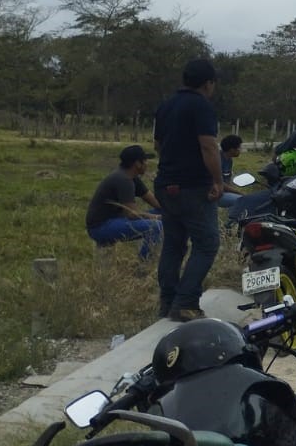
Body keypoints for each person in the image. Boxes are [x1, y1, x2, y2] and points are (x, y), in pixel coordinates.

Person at [152, 58, 224, 321]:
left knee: (173, 244)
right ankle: (185, 303)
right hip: (193, 187)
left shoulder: (166, 105)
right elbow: (208, 146)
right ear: (208, 84)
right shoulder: (201, 105)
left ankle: (168, 301)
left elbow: (158, 145)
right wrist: (217, 180)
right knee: (207, 243)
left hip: (165, 184)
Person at [86, 144, 163, 259]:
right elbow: (132, 214)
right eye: (145, 161)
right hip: (100, 228)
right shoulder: (124, 180)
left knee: (162, 213)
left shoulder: (132, 177)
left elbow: (156, 203)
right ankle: (143, 265)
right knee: (156, 226)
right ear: (137, 164)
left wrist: (172, 210)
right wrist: (157, 218)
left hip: (116, 220)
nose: (147, 164)